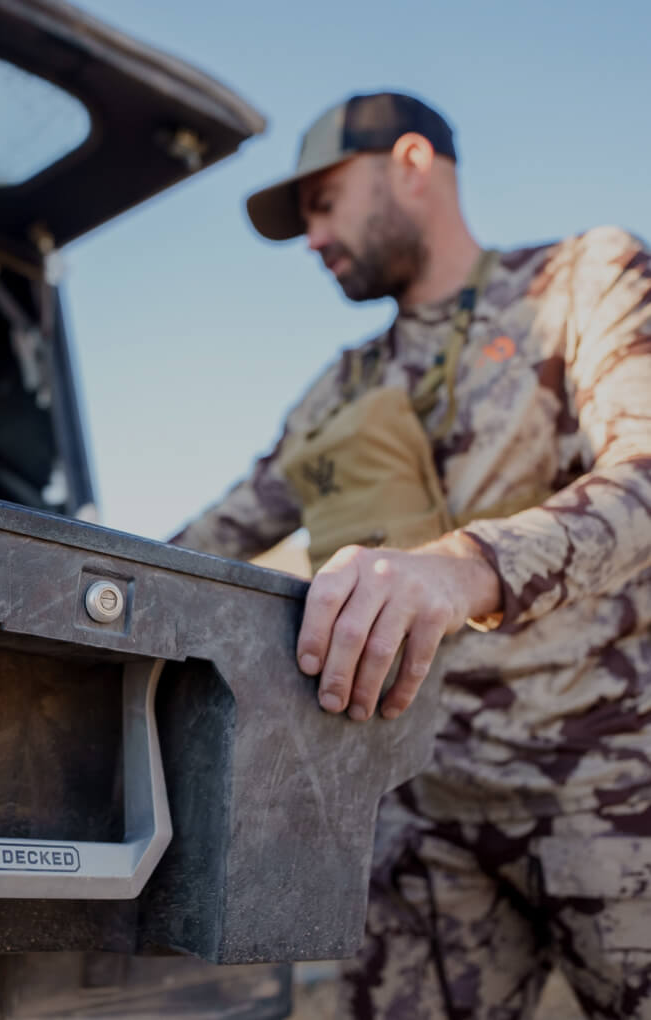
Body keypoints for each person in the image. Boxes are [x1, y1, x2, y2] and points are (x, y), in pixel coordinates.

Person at [171, 92, 651, 1019]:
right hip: (424, 816)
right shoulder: (340, 388)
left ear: (412, 163)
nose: (312, 237)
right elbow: (209, 541)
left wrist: (460, 566)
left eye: (323, 202)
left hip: (612, 795)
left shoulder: (585, 277)